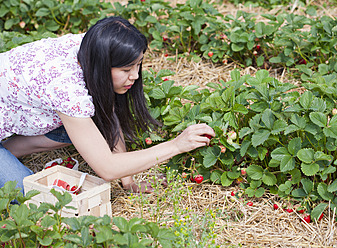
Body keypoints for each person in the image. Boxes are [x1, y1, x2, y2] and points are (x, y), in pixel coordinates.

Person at [0, 16, 215, 194]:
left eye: (138, 65)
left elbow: (108, 113)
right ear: (103, 65)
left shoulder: (91, 46)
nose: (135, 75)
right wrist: (176, 145)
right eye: (126, 69)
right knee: (31, 195)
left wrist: (128, 182)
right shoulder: (66, 88)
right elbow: (107, 168)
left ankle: (8, 151)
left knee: (88, 125)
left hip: (14, 111)